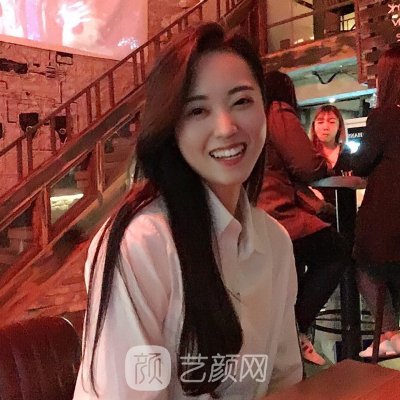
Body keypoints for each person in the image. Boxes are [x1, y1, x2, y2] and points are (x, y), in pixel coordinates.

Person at [73, 23, 302, 399]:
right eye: (197, 110)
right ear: (171, 127)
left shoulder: (275, 243)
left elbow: (283, 382)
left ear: (264, 109)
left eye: (241, 101)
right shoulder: (143, 244)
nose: (226, 128)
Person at [258, 71, 349, 366]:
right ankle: (292, 329)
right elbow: (307, 165)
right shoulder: (277, 111)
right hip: (277, 212)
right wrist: (324, 165)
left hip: (256, 212)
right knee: (336, 250)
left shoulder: (253, 115)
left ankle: (288, 336)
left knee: (293, 268)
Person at [336, 46, 400, 358]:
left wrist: (339, 158)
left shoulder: (384, 116)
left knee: (364, 266)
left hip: (386, 218)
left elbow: (361, 163)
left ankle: (389, 332)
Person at [309, 104, 352, 211]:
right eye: (320, 122)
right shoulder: (308, 153)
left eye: (331, 122)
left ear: (339, 126)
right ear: (314, 126)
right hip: (316, 214)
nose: (325, 127)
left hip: (344, 213)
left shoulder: (346, 154)